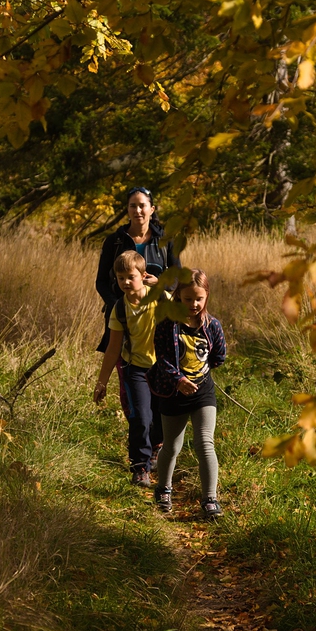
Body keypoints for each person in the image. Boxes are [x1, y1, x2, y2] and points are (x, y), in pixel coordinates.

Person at [148, 269, 227, 520]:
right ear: (178, 297)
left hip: (202, 391)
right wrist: (179, 379)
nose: (194, 304)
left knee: (205, 443)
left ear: (206, 298)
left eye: (199, 299)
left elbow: (219, 356)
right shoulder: (167, 325)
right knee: (172, 446)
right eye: (188, 298)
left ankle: (210, 499)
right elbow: (161, 358)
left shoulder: (212, 325)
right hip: (173, 392)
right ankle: (163, 489)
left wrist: (199, 375)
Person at [93, 251, 164, 487]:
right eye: (120, 277)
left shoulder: (159, 297)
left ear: (143, 276)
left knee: (160, 419)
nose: (124, 282)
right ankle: (140, 467)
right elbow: (113, 349)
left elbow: (186, 312)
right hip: (136, 370)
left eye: (130, 277)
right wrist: (101, 382)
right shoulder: (119, 309)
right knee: (140, 418)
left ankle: (155, 448)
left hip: (162, 368)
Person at [95, 186, 179, 355]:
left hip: (156, 314)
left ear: (152, 209)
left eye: (142, 205)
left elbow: (177, 277)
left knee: (155, 366)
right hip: (122, 317)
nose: (138, 210)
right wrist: (117, 305)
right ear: (127, 209)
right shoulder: (114, 241)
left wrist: (159, 283)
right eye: (133, 206)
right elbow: (101, 282)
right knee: (122, 365)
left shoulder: (166, 240)